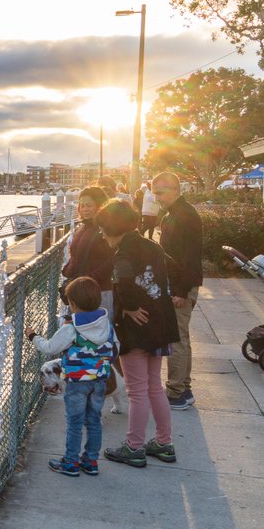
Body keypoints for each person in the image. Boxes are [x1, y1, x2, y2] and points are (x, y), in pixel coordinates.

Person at [96, 199, 180, 468]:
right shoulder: (152, 246)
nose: (102, 236)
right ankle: (164, 443)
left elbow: (123, 279)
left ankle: (134, 446)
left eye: (102, 230)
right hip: (160, 324)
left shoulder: (122, 253)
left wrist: (129, 308)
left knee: (137, 391)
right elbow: (173, 271)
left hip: (138, 328)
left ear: (110, 228)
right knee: (155, 385)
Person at [28, 276, 116, 476]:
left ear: (73, 304)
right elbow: (115, 348)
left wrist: (33, 336)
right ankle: (91, 461)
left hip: (77, 382)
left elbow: (50, 348)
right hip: (100, 381)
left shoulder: (72, 328)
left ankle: (70, 462)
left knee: (75, 422)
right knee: (94, 420)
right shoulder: (106, 325)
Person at [153, 171, 202, 409]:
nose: (157, 198)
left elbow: (189, 257)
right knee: (182, 338)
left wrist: (180, 291)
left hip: (180, 287)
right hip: (176, 284)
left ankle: (175, 392)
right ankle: (183, 387)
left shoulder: (185, 216)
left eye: (160, 193)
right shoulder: (174, 214)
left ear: (175, 190)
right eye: (154, 193)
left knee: (177, 339)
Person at [62, 186, 114, 318]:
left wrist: (91, 277)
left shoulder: (107, 228)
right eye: (82, 205)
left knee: (98, 334)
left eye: (89, 205)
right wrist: (67, 270)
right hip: (80, 291)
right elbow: (76, 256)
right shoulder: (83, 227)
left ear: (100, 205)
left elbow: (113, 258)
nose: (85, 209)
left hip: (98, 292)